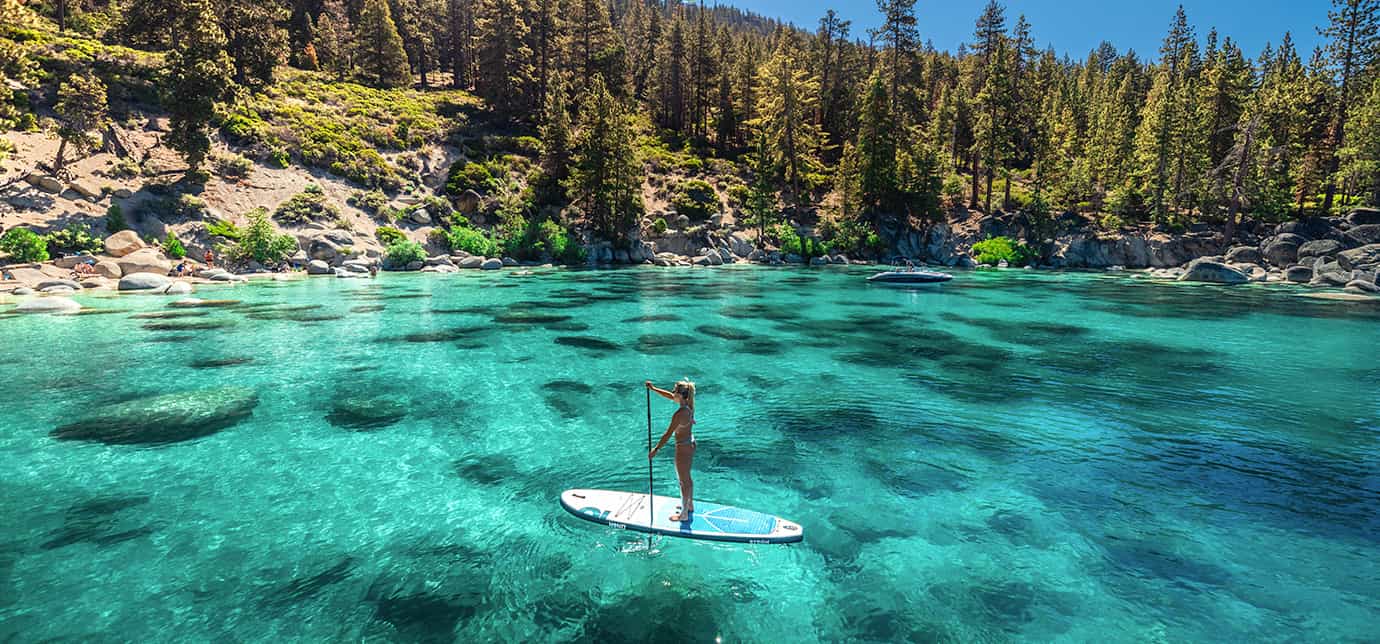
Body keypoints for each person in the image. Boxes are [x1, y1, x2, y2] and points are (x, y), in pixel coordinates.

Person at [647, 379, 697, 522]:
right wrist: (654, 389)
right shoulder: (689, 405)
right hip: (690, 443)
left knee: (683, 481)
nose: (672, 393)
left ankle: (684, 514)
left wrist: (656, 449)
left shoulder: (679, 414)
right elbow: (669, 396)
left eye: (674, 391)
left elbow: (668, 434)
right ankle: (690, 505)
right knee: (687, 479)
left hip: (683, 448)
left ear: (680, 395)